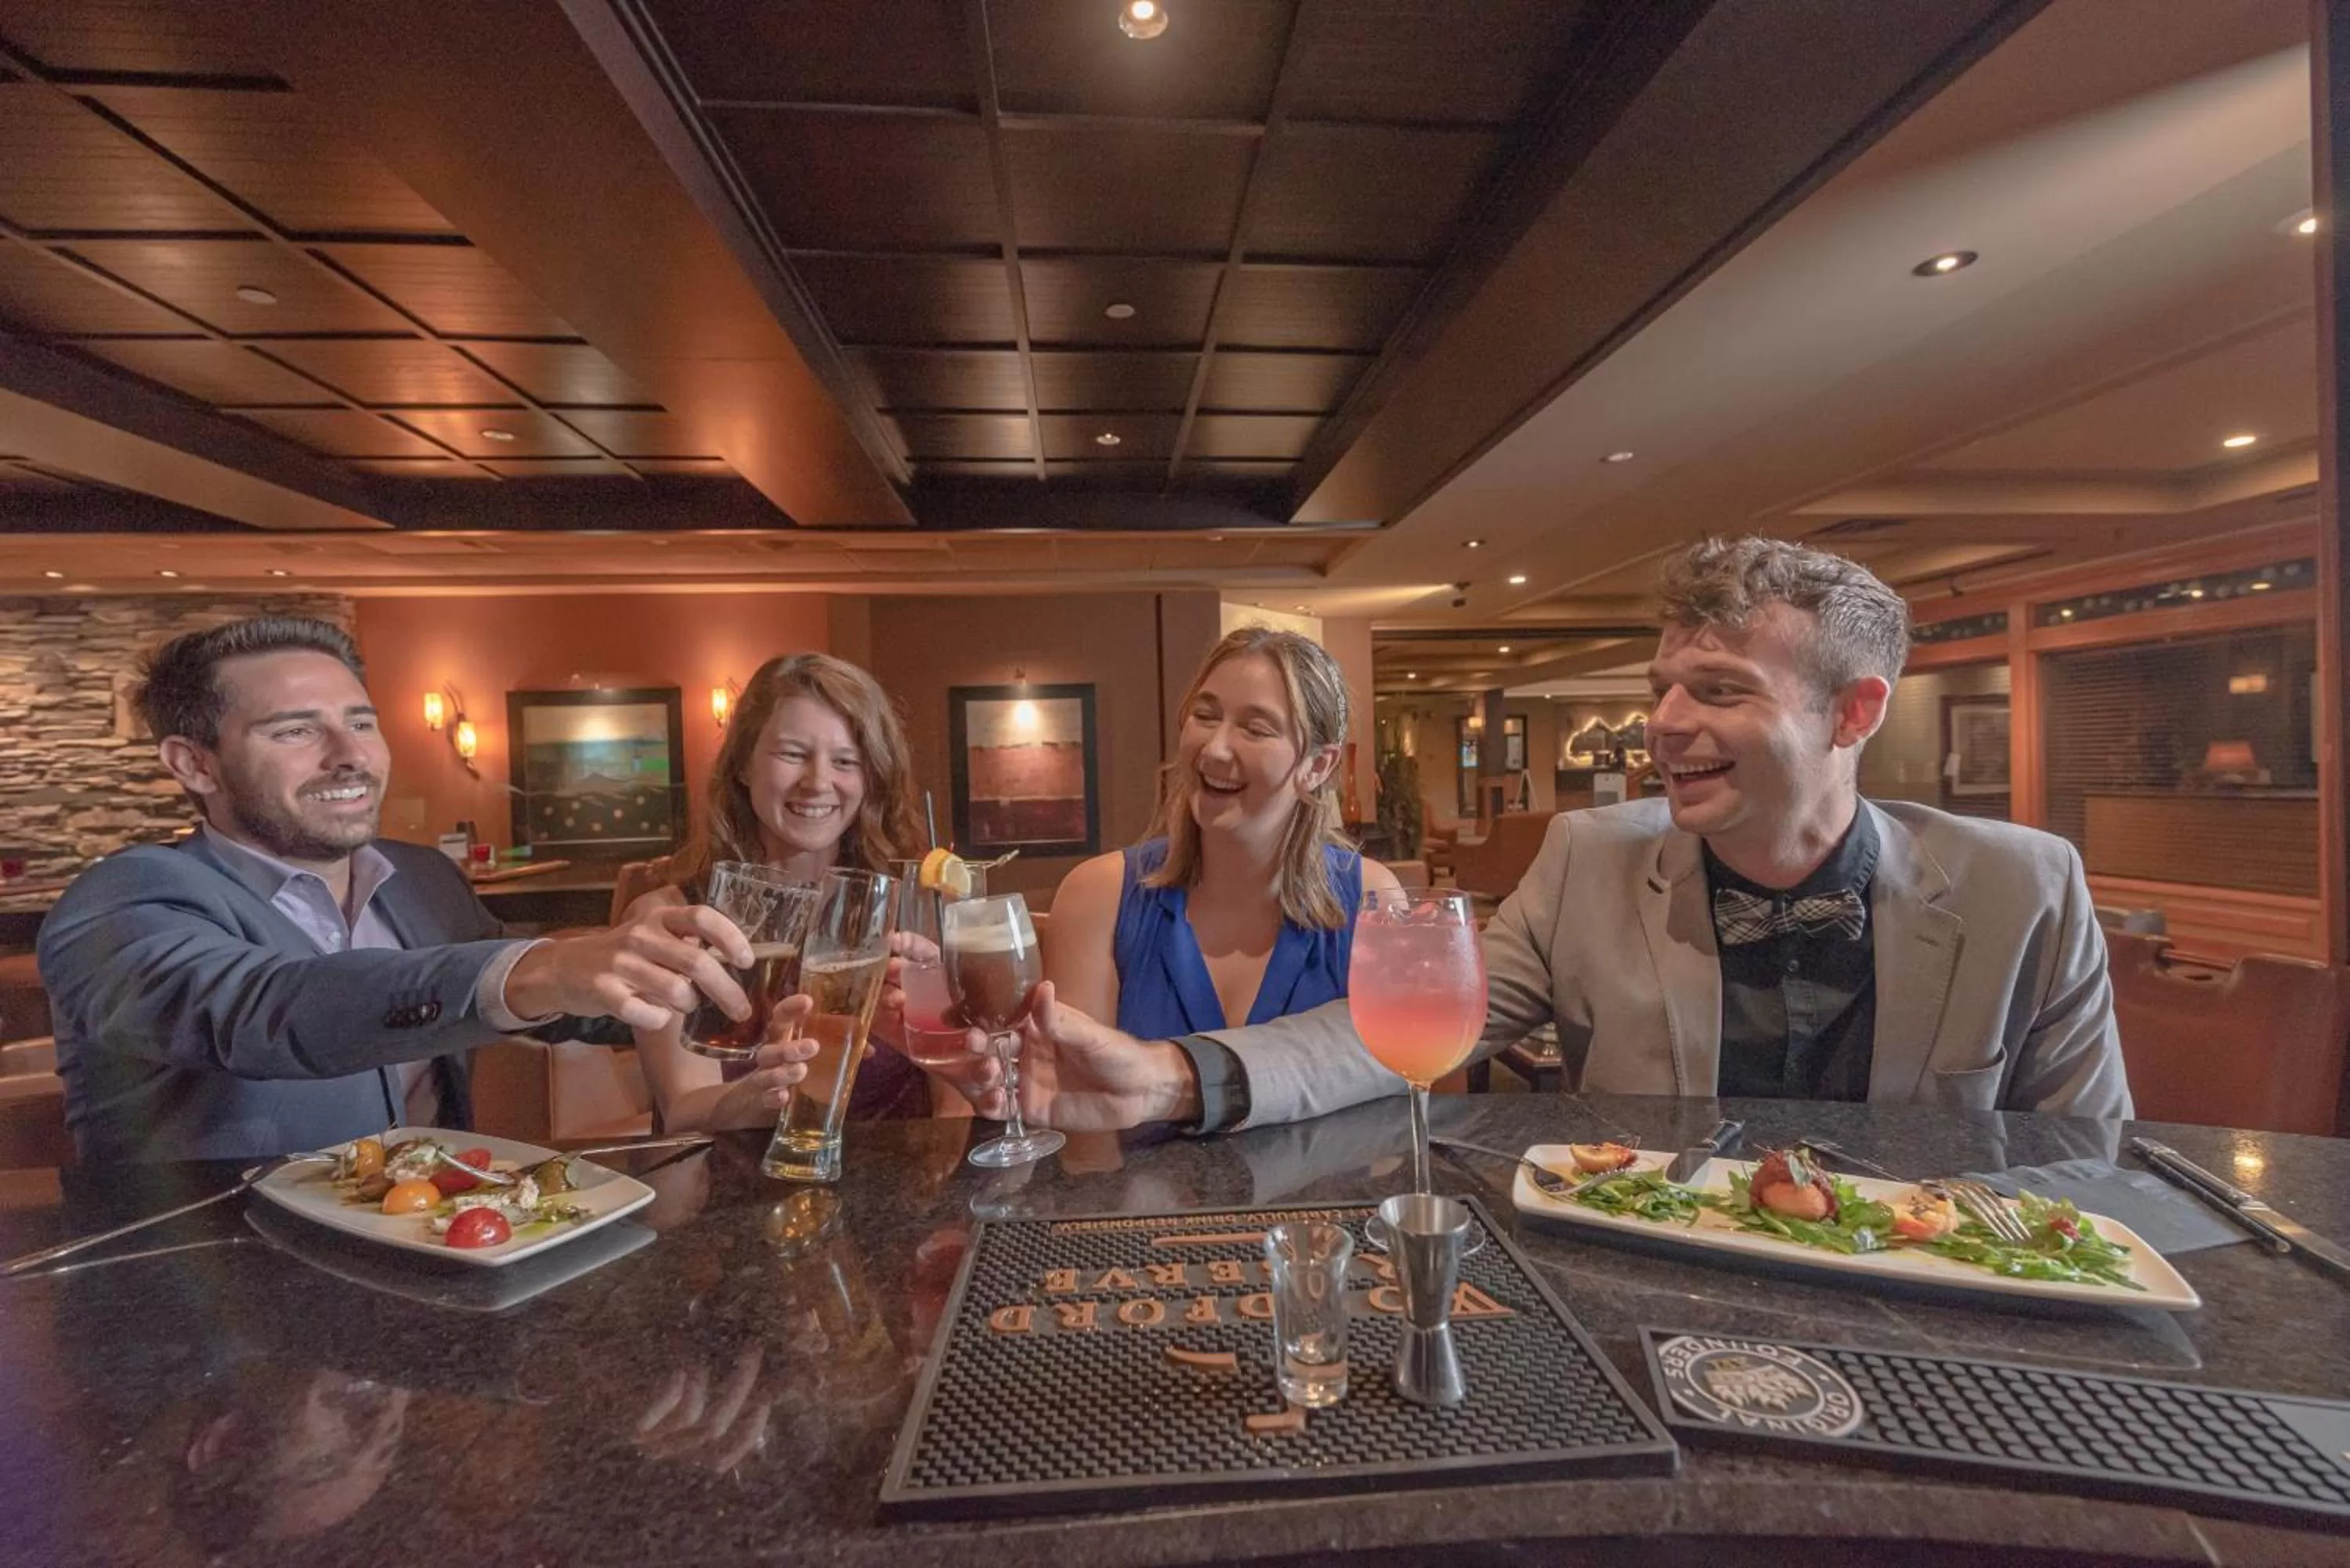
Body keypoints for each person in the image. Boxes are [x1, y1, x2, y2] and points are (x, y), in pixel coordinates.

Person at [938, 537, 2132, 1131]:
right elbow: (1391, 1034)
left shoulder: (2027, 889)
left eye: (1716, 691)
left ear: (1854, 712)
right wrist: (1173, 1073)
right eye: (1662, 685)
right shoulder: (1589, 859)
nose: (1663, 726)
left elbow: (2092, 1173)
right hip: (1639, 1317)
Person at [38, 617, 808, 1162]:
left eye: (361, 722)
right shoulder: (122, 903)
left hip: (434, 1273)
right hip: (212, 1320)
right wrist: (541, 964)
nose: (350, 756)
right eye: (295, 730)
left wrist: (766, 987)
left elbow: (565, 1004)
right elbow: (266, 1010)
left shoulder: (420, 881)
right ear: (194, 764)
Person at [1045, 627, 1401, 1044]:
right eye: (1205, 716)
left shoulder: (1372, 901)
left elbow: (1429, 1089)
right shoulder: (1097, 896)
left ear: (1318, 766)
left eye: (1256, 728)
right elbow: (1078, 1094)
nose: (1214, 749)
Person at [626, 652, 929, 1131]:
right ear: (744, 764)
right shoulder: (672, 919)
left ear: (871, 780)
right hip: (736, 1188)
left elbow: (960, 1101)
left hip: (903, 1186)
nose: (818, 782)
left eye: (846, 761)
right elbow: (684, 1108)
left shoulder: (912, 910)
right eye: (793, 754)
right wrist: (759, 1094)